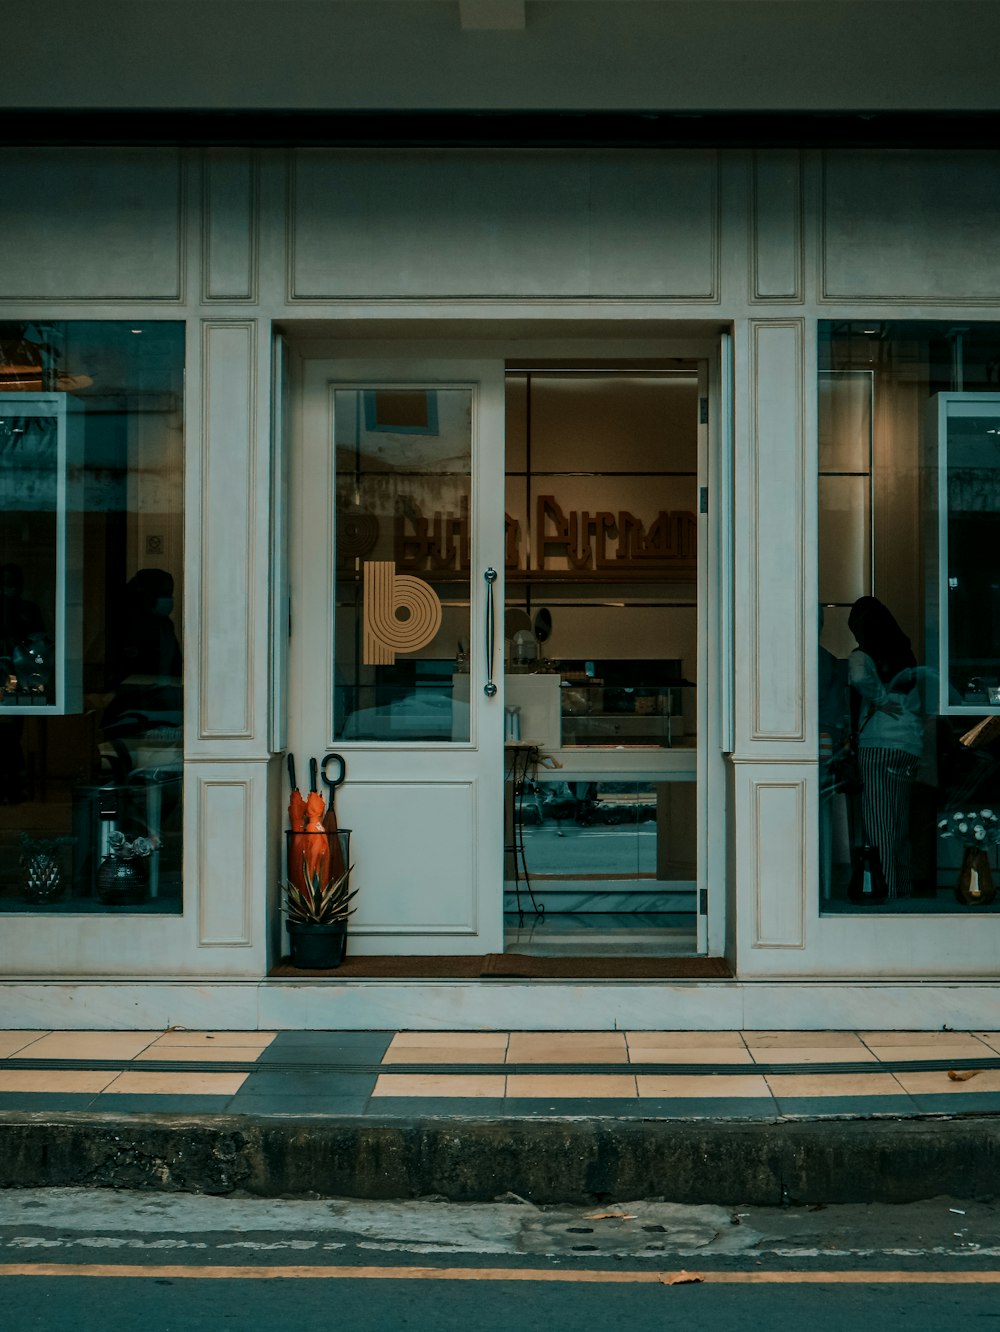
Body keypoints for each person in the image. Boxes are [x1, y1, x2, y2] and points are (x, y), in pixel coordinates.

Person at [847, 596, 923, 899]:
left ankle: (886, 893)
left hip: (877, 745)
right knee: (899, 824)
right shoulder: (906, 655)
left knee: (879, 824)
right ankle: (904, 890)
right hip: (909, 746)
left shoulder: (861, 654)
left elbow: (858, 677)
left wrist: (878, 699)